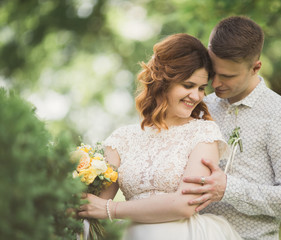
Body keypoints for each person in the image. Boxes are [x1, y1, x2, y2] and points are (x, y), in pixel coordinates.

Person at [77, 33, 242, 240]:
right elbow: (94, 205)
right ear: (164, 82)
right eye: (188, 85)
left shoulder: (204, 133)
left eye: (201, 88)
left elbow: (185, 204)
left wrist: (113, 210)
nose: (197, 96)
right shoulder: (122, 138)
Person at [182, 16, 281, 240]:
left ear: (255, 67)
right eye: (213, 72)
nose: (216, 83)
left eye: (228, 76)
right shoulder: (201, 107)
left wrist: (229, 189)